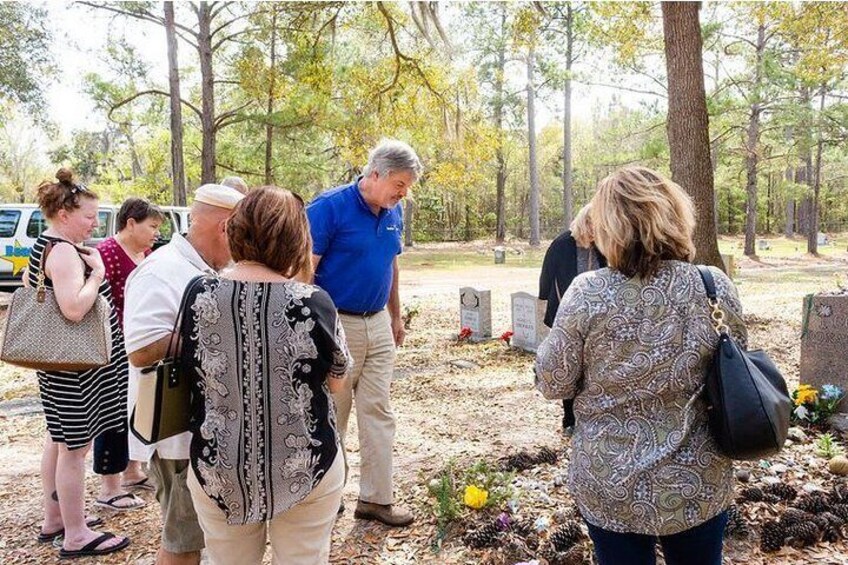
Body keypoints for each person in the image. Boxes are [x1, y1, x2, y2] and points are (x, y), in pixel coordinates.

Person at [535, 166, 746, 565]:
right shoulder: (712, 285)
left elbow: (552, 382)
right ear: (674, 216)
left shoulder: (587, 293)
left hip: (612, 481)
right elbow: (733, 366)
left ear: (609, 226)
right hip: (697, 479)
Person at [180, 187, 349, 564]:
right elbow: (337, 380)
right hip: (306, 464)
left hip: (219, 465)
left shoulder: (199, 294)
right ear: (297, 240)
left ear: (235, 231)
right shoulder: (312, 302)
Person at [123, 184, 244, 565]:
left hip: (202, 431)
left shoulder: (207, 268)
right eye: (241, 234)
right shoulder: (161, 271)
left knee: (198, 541)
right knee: (184, 545)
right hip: (177, 439)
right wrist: (210, 332)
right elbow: (140, 348)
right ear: (225, 228)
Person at [306, 139, 421, 527]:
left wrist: (396, 316)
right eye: (400, 184)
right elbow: (306, 271)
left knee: (378, 412)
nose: (404, 192)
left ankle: (376, 499)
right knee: (331, 414)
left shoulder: (394, 210)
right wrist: (309, 328)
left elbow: (391, 263)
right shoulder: (328, 208)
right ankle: (325, 496)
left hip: (378, 325)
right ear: (376, 174)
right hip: (336, 324)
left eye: (407, 187)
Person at [30, 168, 130, 558]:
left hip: (60, 363)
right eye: (89, 216)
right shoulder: (65, 252)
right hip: (76, 367)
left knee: (59, 441)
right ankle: (75, 534)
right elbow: (73, 308)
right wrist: (99, 274)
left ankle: (55, 519)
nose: (94, 223)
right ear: (64, 214)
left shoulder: (45, 245)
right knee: (75, 448)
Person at [93, 198, 165, 509]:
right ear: (131, 223)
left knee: (136, 408)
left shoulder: (146, 253)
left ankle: (133, 471)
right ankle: (109, 486)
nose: (155, 234)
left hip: (139, 344)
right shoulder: (106, 254)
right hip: (112, 345)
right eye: (151, 227)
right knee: (112, 411)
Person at [538, 204, 606, 434]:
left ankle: (590, 412)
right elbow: (547, 273)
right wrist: (543, 294)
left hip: (597, 318)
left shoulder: (604, 245)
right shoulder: (562, 243)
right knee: (568, 366)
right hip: (565, 312)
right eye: (591, 226)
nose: (594, 232)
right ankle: (569, 418)